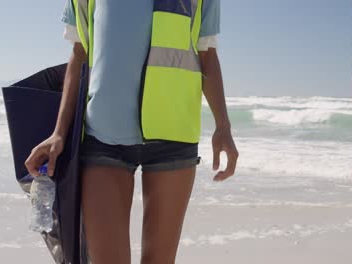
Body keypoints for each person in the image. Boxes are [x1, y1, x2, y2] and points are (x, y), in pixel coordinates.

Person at [25, 1, 239, 263]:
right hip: (104, 134)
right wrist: (59, 132)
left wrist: (223, 126)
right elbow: (79, 53)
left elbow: (207, 54)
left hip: (174, 133)